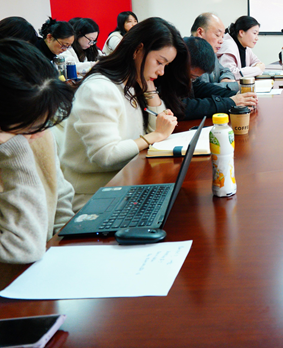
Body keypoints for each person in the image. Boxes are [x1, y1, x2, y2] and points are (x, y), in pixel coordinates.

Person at [61, 17, 190, 212]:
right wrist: (157, 135)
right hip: (93, 197)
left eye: (165, 65)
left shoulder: (129, 84)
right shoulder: (99, 89)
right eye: (159, 62)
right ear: (138, 50)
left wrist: (150, 89)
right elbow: (105, 155)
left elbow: (158, 130)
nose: (162, 71)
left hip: (124, 184)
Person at [0, 39, 75, 264]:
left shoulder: (37, 135)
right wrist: (15, 150)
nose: (40, 134)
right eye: (30, 128)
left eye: (45, 124)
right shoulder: (16, 147)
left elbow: (60, 197)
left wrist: (68, 243)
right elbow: (22, 248)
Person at [182, 37, 258, 120]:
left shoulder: (207, 53)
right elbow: (183, 107)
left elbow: (198, 87)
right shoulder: (229, 47)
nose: (222, 41)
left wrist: (234, 96)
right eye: (217, 35)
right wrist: (229, 102)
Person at [190, 13, 238, 92]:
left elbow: (225, 70)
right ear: (200, 32)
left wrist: (225, 78)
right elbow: (202, 89)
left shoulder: (210, 51)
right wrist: (232, 85)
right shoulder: (190, 55)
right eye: (217, 35)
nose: (221, 41)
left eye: (222, 37)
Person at [218, 15, 266, 80]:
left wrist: (256, 69)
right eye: (254, 33)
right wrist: (256, 70)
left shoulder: (245, 47)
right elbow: (230, 75)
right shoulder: (228, 46)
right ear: (241, 33)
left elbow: (258, 63)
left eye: (257, 34)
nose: (257, 38)